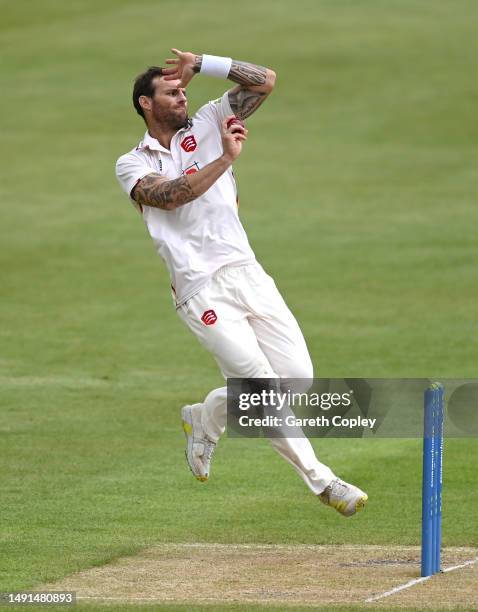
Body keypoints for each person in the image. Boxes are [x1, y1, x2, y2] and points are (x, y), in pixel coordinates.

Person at [115, 49, 368, 517]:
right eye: (170, 93)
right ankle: (324, 481)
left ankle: (208, 416)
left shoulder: (210, 119)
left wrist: (205, 62)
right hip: (199, 288)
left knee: (297, 380)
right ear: (146, 104)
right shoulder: (131, 162)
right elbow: (173, 197)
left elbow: (265, 81)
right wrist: (226, 159)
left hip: (247, 272)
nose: (181, 97)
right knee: (261, 389)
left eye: (182, 90)